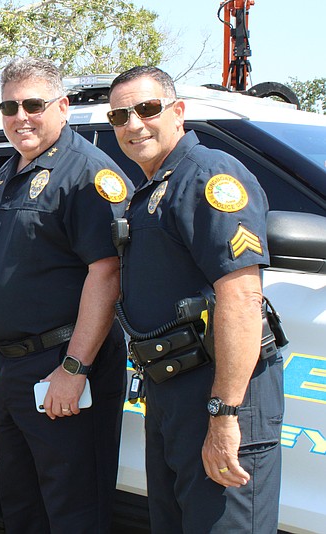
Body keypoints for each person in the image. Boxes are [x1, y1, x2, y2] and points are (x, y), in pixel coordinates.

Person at [108, 66, 283, 533]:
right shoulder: (151, 188)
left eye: (147, 109)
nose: (134, 124)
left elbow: (242, 297)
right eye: (120, 116)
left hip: (220, 392)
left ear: (178, 112)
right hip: (171, 392)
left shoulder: (210, 177)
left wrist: (224, 414)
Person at [0, 57, 131, 533]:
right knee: (22, 504)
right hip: (13, 367)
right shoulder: (8, 169)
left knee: (73, 509)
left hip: (62, 363)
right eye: (10, 106)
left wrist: (75, 368)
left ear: (62, 106)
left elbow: (107, 273)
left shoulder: (86, 173)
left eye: (34, 104)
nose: (20, 116)